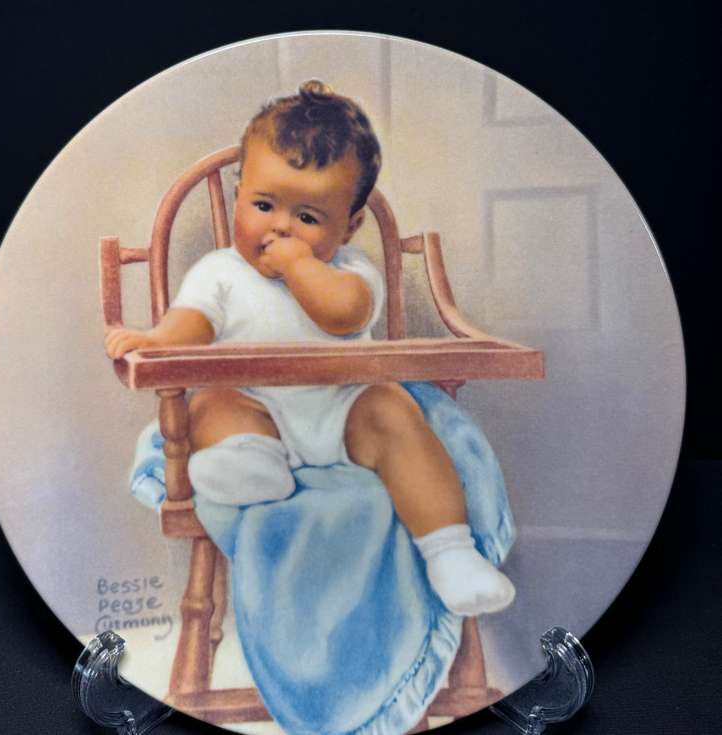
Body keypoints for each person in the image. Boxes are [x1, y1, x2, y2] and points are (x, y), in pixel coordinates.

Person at [105, 80, 514, 616]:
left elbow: (343, 314)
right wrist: (157, 340)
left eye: (308, 217)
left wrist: (299, 265)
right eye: (263, 204)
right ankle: (249, 464)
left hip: (344, 410)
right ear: (237, 196)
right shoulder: (220, 271)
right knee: (212, 405)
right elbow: (192, 323)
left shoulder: (352, 272)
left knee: (394, 412)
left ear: (350, 226)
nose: (280, 226)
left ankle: (450, 554)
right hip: (254, 408)